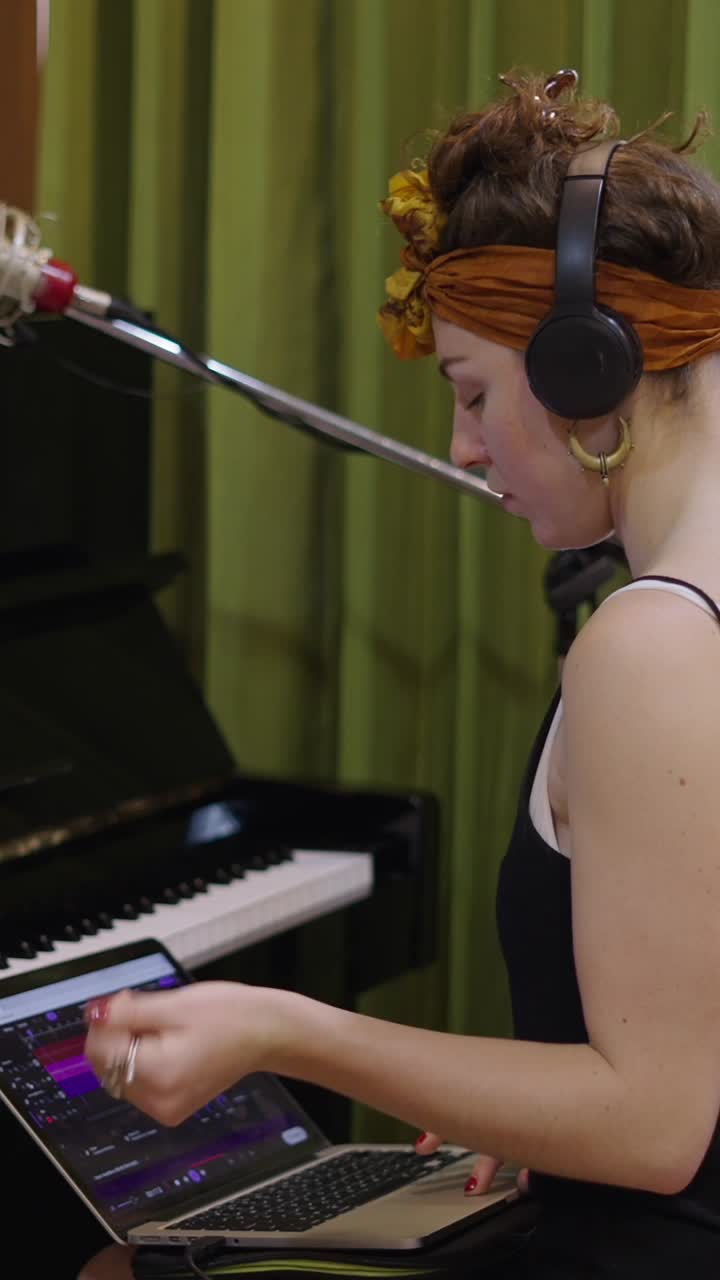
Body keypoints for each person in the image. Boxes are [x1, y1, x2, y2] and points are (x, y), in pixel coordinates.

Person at [79, 68, 720, 1278]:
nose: (467, 450)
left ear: (589, 368)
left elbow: (652, 1126)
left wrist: (286, 1024)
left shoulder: (651, 640)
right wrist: (523, 1109)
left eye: (473, 393)